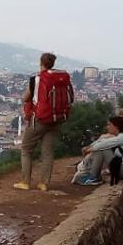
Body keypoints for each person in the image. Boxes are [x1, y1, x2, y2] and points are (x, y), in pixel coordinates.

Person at [15, 53, 74, 191]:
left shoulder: (36, 79)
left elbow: (26, 98)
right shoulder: (61, 78)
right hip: (57, 119)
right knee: (47, 152)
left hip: (40, 119)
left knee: (26, 149)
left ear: (41, 62)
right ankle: (44, 184)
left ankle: (25, 182)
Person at [72, 116, 123, 186]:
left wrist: (89, 149)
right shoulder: (119, 137)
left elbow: (104, 144)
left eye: (109, 125)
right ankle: (94, 176)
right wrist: (90, 146)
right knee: (102, 149)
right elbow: (103, 141)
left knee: (102, 150)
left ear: (116, 126)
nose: (107, 127)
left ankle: (94, 177)